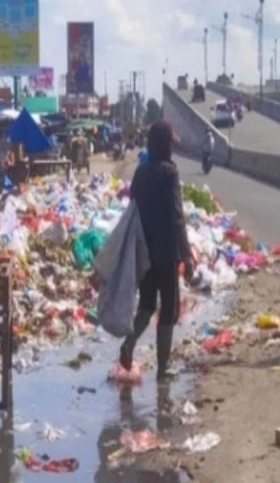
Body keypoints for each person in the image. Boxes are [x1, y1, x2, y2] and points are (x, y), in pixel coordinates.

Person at [120, 121, 195, 378]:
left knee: (147, 304)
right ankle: (163, 368)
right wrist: (187, 254)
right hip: (166, 253)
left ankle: (129, 342)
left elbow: (132, 208)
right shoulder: (169, 173)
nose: (172, 149)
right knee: (169, 308)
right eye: (170, 144)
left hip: (145, 251)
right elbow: (176, 216)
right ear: (165, 145)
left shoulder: (141, 173)